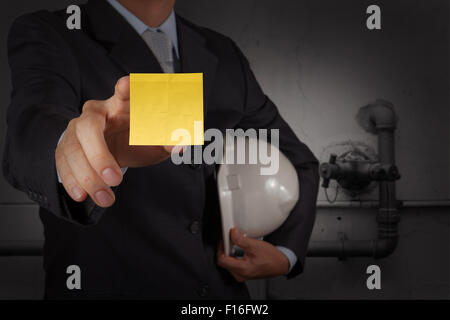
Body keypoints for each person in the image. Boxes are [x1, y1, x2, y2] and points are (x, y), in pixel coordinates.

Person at [3, 0, 319, 299]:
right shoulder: (54, 32)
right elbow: (32, 128)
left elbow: (296, 158)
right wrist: (69, 153)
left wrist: (285, 254)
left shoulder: (222, 51)